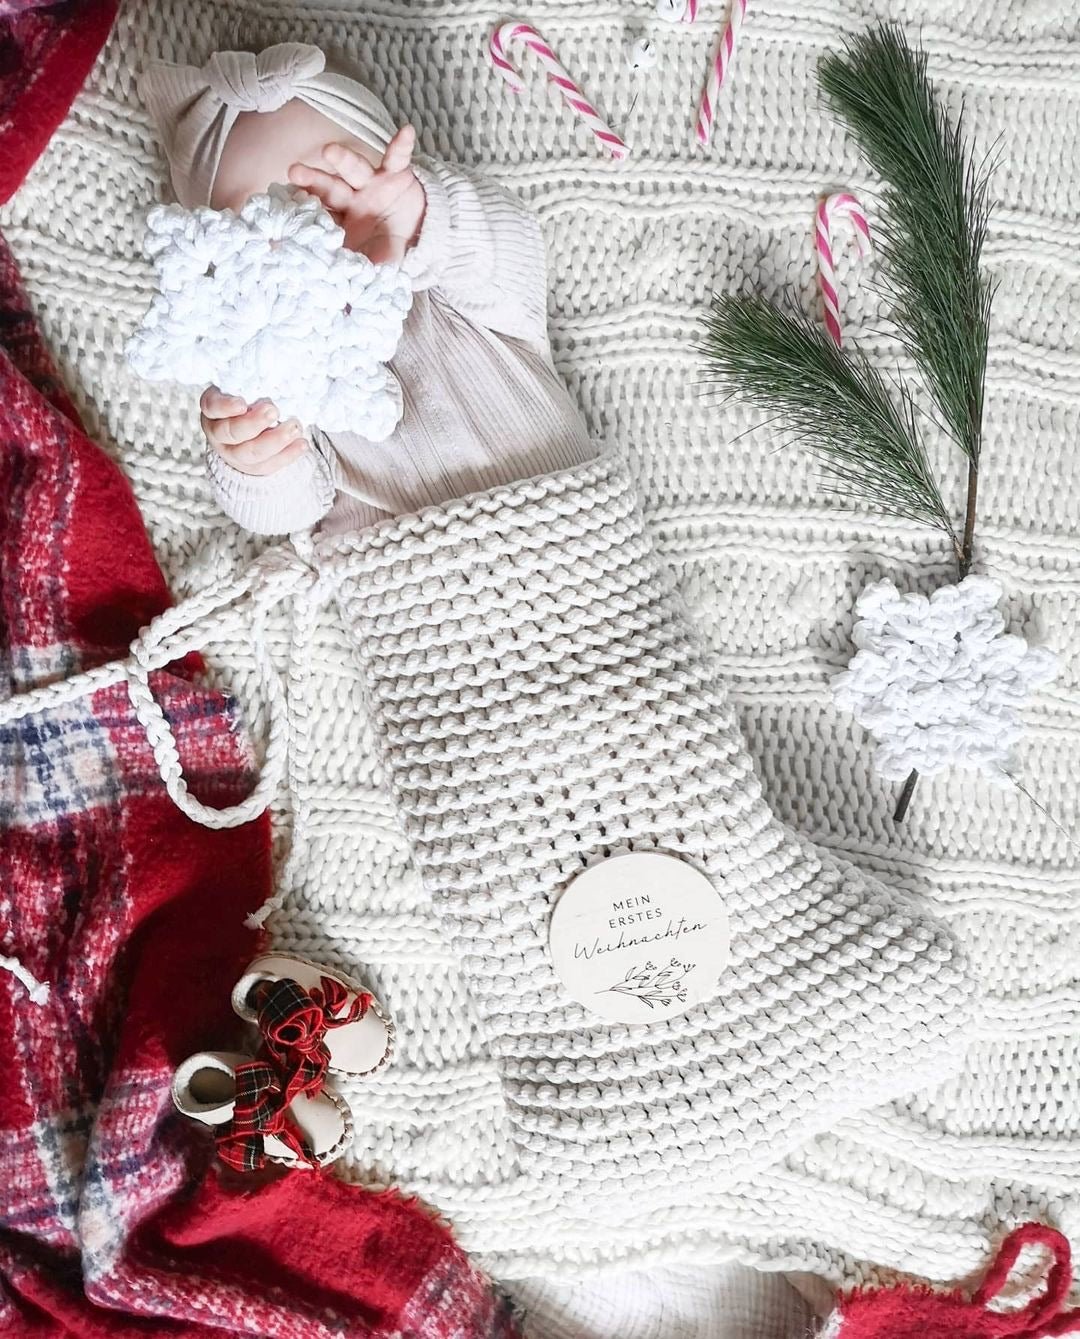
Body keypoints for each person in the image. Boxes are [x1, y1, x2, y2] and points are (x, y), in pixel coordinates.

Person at [140, 41, 973, 1256]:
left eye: (326, 190)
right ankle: (608, 1095)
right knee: (503, 885)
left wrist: (417, 223)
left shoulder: (465, 300)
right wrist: (253, 448)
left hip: (596, 617)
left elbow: (507, 246)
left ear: (385, 174)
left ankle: (794, 972)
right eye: (262, 221)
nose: (307, 234)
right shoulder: (284, 382)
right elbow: (281, 518)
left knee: (683, 786)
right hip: (439, 667)